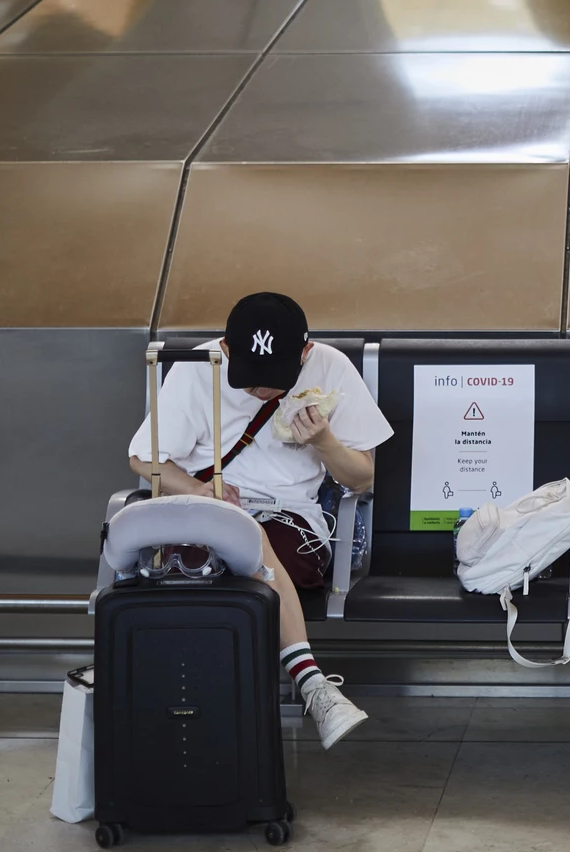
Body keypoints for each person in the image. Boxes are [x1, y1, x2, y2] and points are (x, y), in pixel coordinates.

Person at [127, 292, 392, 749]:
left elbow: (362, 478)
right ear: (226, 351)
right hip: (205, 511)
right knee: (216, 547)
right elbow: (142, 459)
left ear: (304, 354)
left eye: (274, 380)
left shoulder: (328, 366)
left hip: (292, 519)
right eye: (249, 379)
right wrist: (196, 489)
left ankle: (210, 719)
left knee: (249, 542)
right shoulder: (198, 367)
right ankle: (311, 684)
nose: (260, 390)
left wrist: (325, 442)